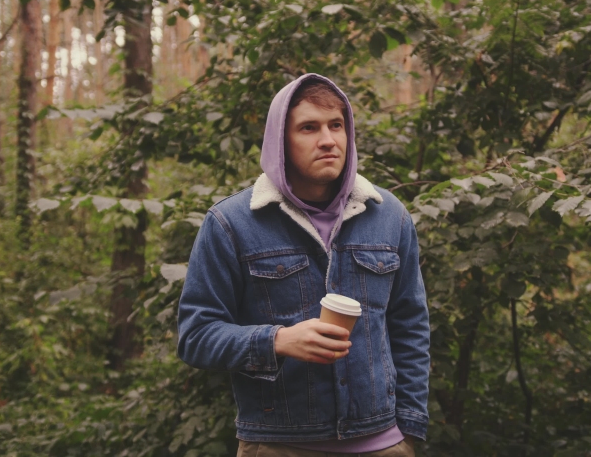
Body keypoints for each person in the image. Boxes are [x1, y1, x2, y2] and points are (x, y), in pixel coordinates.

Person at [177, 74, 430, 457]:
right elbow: (195, 335)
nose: (328, 140)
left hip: (383, 444)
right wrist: (278, 340)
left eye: (337, 126)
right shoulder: (231, 224)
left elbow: (410, 326)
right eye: (309, 127)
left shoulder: (389, 216)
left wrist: (408, 432)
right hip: (280, 444)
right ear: (281, 140)